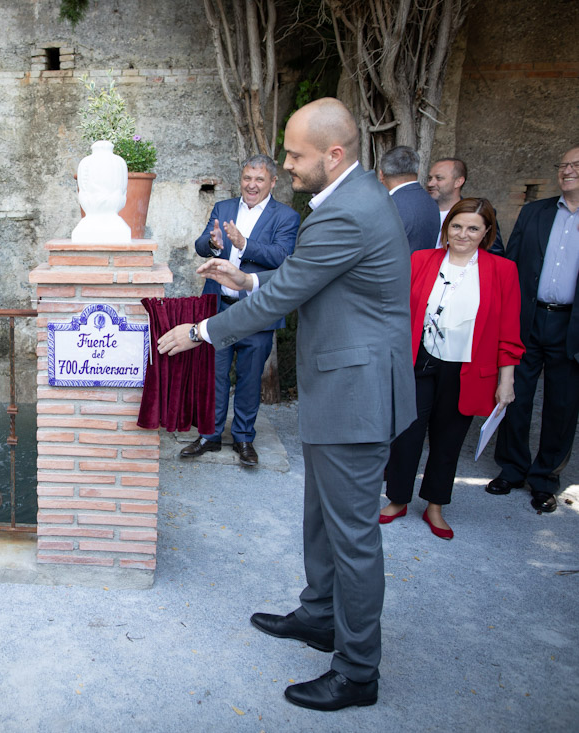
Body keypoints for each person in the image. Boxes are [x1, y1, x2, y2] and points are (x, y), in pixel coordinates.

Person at [158, 98, 414, 712]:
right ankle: (321, 615)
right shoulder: (348, 201)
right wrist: (241, 277)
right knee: (320, 518)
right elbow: (304, 277)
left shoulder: (346, 211)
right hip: (341, 389)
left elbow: (289, 292)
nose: (287, 167)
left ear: (335, 154)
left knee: (351, 536)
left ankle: (357, 671)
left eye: (296, 156)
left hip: (356, 394)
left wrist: (201, 333)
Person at [381, 198, 523, 539]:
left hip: (466, 368)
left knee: (448, 438)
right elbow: (395, 310)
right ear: (447, 228)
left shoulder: (502, 271)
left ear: (486, 231)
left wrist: (507, 381)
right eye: (457, 226)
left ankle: (434, 506)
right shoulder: (421, 260)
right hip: (420, 360)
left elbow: (509, 331)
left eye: (473, 228)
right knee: (407, 433)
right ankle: (398, 499)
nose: (463, 234)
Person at [182, 154, 298, 466]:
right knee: (215, 376)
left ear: (272, 182)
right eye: (247, 178)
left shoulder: (286, 217)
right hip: (219, 308)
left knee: (249, 378)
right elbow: (201, 245)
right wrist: (214, 243)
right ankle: (210, 434)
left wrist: (244, 243)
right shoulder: (224, 208)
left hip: (258, 311)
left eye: (259, 179)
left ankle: (244, 438)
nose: (251, 184)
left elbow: (282, 259)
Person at [487, 146, 579, 514]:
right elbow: (510, 267)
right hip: (529, 317)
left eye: (576, 166)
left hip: (571, 324)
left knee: (562, 404)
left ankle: (545, 479)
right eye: (564, 165)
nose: (567, 171)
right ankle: (511, 469)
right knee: (514, 394)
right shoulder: (535, 211)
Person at [426, 157, 504, 253]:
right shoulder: (420, 210)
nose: (430, 183)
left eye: (439, 178)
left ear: (458, 182)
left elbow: (494, 251)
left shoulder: (478, 213)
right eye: (430, 178)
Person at [378, 145, 439, 253]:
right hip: (423, 268)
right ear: (418, 171)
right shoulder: (431, 202)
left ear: (381, 174)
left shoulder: (388, 206)